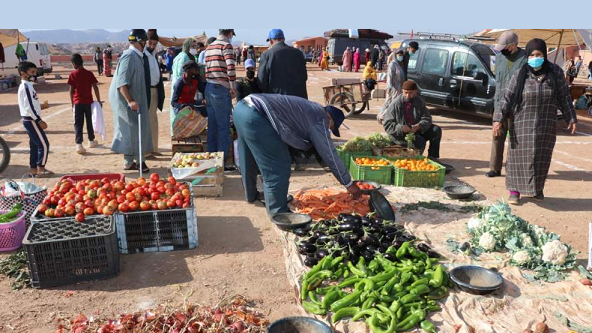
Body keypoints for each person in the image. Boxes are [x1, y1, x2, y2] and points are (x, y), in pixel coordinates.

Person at [233, 93, 362, 214]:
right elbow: (329, 154)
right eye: (331, 127)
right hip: (256, 117)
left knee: (247, 157)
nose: (328, 130)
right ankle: (278, 212)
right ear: (330, 119)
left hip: (241, 109)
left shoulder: (311, 109)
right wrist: (348, 183)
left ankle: (251, 194)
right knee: (278, 167)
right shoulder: (321, 119)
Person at [494, 38, 577, 204]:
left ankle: (536, 189)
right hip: (522, 123)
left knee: (541, 157)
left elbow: (564, 97)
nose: (535, 57)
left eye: (538, 54)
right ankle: (514, 191)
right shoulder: (520, 74)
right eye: (531, 55)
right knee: (518, 158)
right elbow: (507, 98)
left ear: (545, 55)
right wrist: (498, 119)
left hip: (546, 124)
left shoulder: (555, 73)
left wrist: (571, 117)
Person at [109, 29, 153, 173]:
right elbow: (122, 83)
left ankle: (129, 162)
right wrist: (130, 101)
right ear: (141, 41)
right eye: (145, 41)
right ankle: (140, 162)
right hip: (127, 100)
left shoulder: (137, 56)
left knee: (134, 129)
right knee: (134, 129)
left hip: (133, 98)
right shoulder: (129, 56)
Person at [486, 31, 527, 178]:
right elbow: (498, 82)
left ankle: (513, 169)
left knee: (515, 139)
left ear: (513, 45)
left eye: (505, 47)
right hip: (499, 103)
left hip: (517, 106)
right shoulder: (499, 58)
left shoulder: (525, 59)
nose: (503, 50)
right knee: (497, 135)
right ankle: (494, 168)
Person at [383, 80, 442, 160]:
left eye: (410, 93)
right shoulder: (395, 104)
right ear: (402, 91)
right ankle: (415, 157)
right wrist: (401, 128)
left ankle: (433, 157)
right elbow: (387, 124)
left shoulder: (419, 101)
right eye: (406, 92)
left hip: (417, 130)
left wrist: (419, 126)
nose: (407, 95)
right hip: (401, 135)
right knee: (420, 142)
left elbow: (427, 118)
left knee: (436, 130)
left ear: (415, 92)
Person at [204, 29, 236, 168]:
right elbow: (230, 68)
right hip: (220, 88)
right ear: (229, 33)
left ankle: (211, 161)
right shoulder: (226, 46)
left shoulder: (210, 47)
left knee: (212, 126)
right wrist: (232, 86)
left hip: (209, 87)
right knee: (223, 127)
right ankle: (221, 163)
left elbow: (206, 68)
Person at [18, 61, 52, 177]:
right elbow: (28, 107)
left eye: (35, 72)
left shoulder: (28, 86)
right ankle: (41, 169)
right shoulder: (26, 87)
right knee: (44, 145)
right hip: (31, 120)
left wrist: (40, 106)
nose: (34, 75)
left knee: (34, 145)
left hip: (30, 118)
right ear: (23, 73)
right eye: (32, 72)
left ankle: (33, 170)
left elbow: (30, 104)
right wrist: (39, 120)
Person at [258, 29, 308, 99]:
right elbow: (304, 76)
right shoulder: (298, 53)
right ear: (283, 39)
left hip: (277, 100)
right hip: (299, 99)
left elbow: (262, 81)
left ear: (271, 41)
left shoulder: (267, 54)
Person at [67, 53, 101, 154]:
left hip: (77, 102)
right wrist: (98, 100)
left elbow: (71, 90)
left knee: (78, 123)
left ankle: (79, 144)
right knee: (89, 121)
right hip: (88, 102)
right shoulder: (89, 73)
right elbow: (95, 87)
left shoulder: (73, 74)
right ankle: (91, 140)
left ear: (74, 63)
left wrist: (72, 103)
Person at [145, 29, 166, 156]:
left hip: (155, 90)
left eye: (154, 44)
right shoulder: (142, 56)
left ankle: (153, 148)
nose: (152, 46)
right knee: (147, 121)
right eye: (150, 43)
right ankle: (147, 150)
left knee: (153, 121)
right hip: (146, 92)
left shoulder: (153, 55)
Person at [170, 37, 196, 134]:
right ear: (187, 45)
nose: (194, 48)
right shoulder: (185, 57)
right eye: (192, 46)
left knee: (176, 113)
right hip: (182, 89)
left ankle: (175, 133)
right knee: (182, 112)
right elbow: (184, 74)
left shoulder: (178, 56)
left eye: (195, 46)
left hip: (177, 87)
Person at [377, 49, 406, 124]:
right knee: (392, 104)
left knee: (396, 104)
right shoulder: (392, 64)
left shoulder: (399, 64)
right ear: (395, 55)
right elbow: (389, 77)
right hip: (393, 88)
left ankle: (393, 119)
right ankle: (382, 116)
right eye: (399, 55)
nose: (400, 57)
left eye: (402, 55)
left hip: (399, 88)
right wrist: (389, 87)